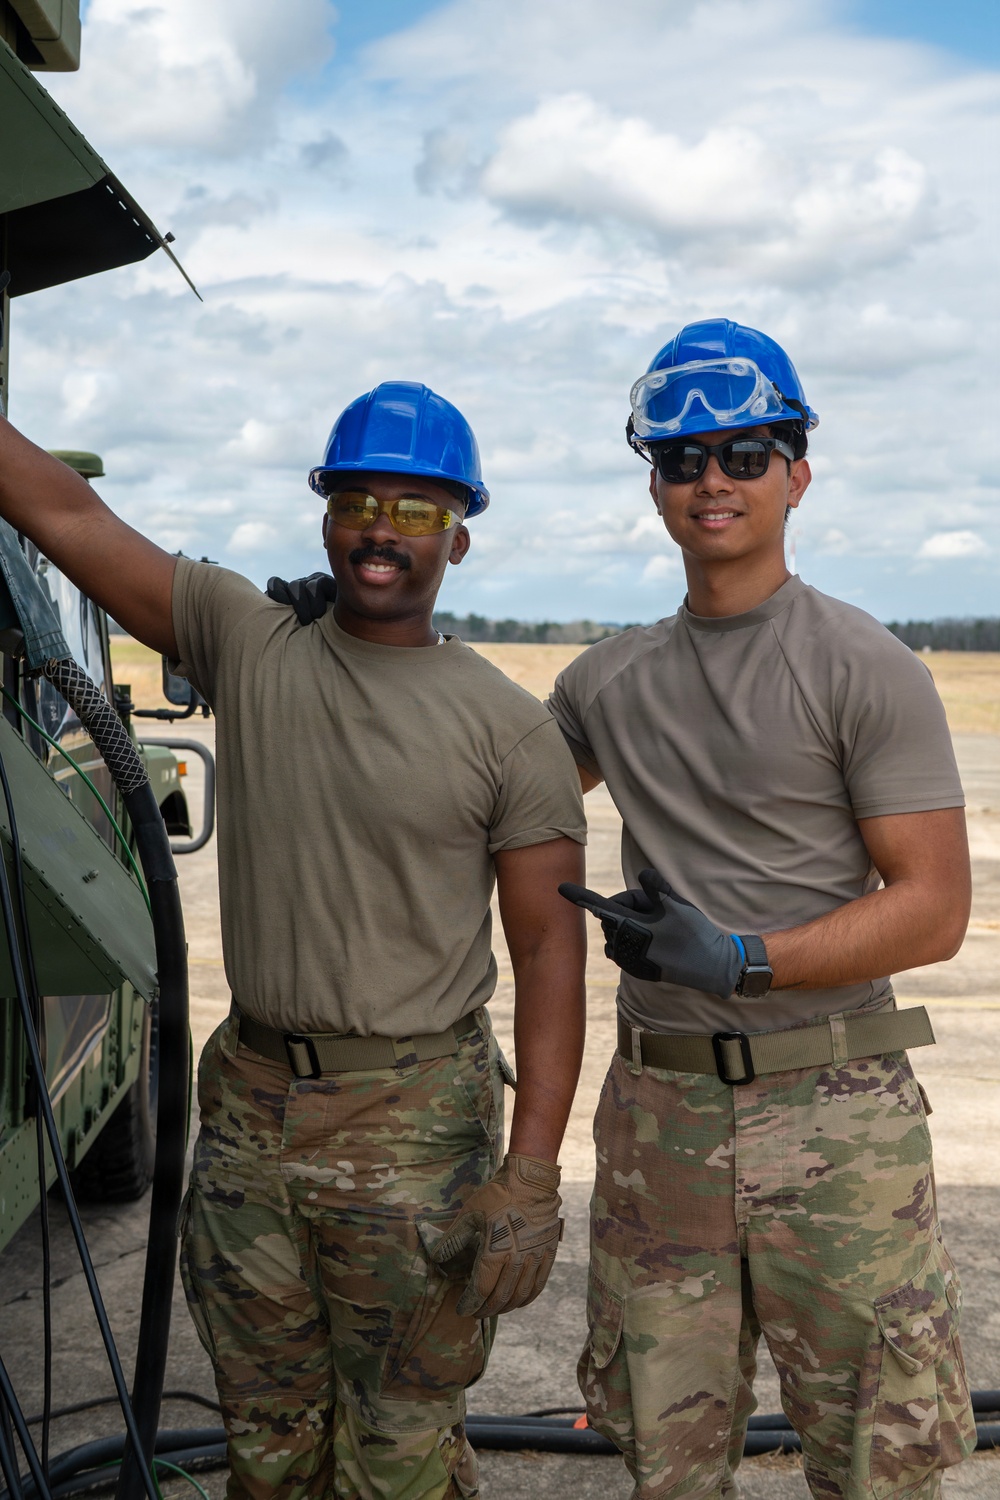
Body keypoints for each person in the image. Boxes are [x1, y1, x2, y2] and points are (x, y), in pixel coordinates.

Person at [0, 381, 588, 1500]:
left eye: (414, 511)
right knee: (264, 1439)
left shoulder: (506, 727)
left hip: (417, 1127)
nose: (381, 529)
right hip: (253, 1113)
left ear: (457, 536)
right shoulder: (247, 639)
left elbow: (551, 958)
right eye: (358, 501)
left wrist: (530, 1173)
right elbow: (71, 519)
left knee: (400, 1449)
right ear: (325, 516)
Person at [551, 320, 976, 1500]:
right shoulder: (607, 681)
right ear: (654, 486)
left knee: (872, 1460)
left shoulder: (862, 665)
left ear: (797, 473)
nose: (713, 482)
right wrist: (355, 638)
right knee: (665, 1457)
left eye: (744, 453)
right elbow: (475, 784)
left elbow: (934, 907)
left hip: (834, 1115)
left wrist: (742, 958)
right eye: (684, 460)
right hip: (663, 1117)